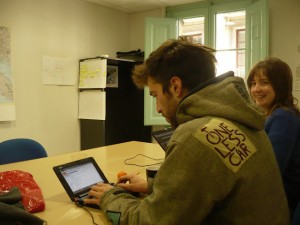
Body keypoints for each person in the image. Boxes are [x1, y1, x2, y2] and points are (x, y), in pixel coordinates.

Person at [84, 38, 289, 225]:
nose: (157, 108)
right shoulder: (241, 120)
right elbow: (209, 181)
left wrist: (109, 197)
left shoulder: (193, 136)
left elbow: (150, 221)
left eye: (155, 95)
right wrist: (152, 185)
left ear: (175, 86)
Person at [247, 57, 300, 218]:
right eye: (253, 83)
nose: (256, 89)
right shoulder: (273, 115)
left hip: (282, 205)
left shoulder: (282, 117)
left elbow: (270, 169)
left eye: (264, 83)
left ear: (280, 86)